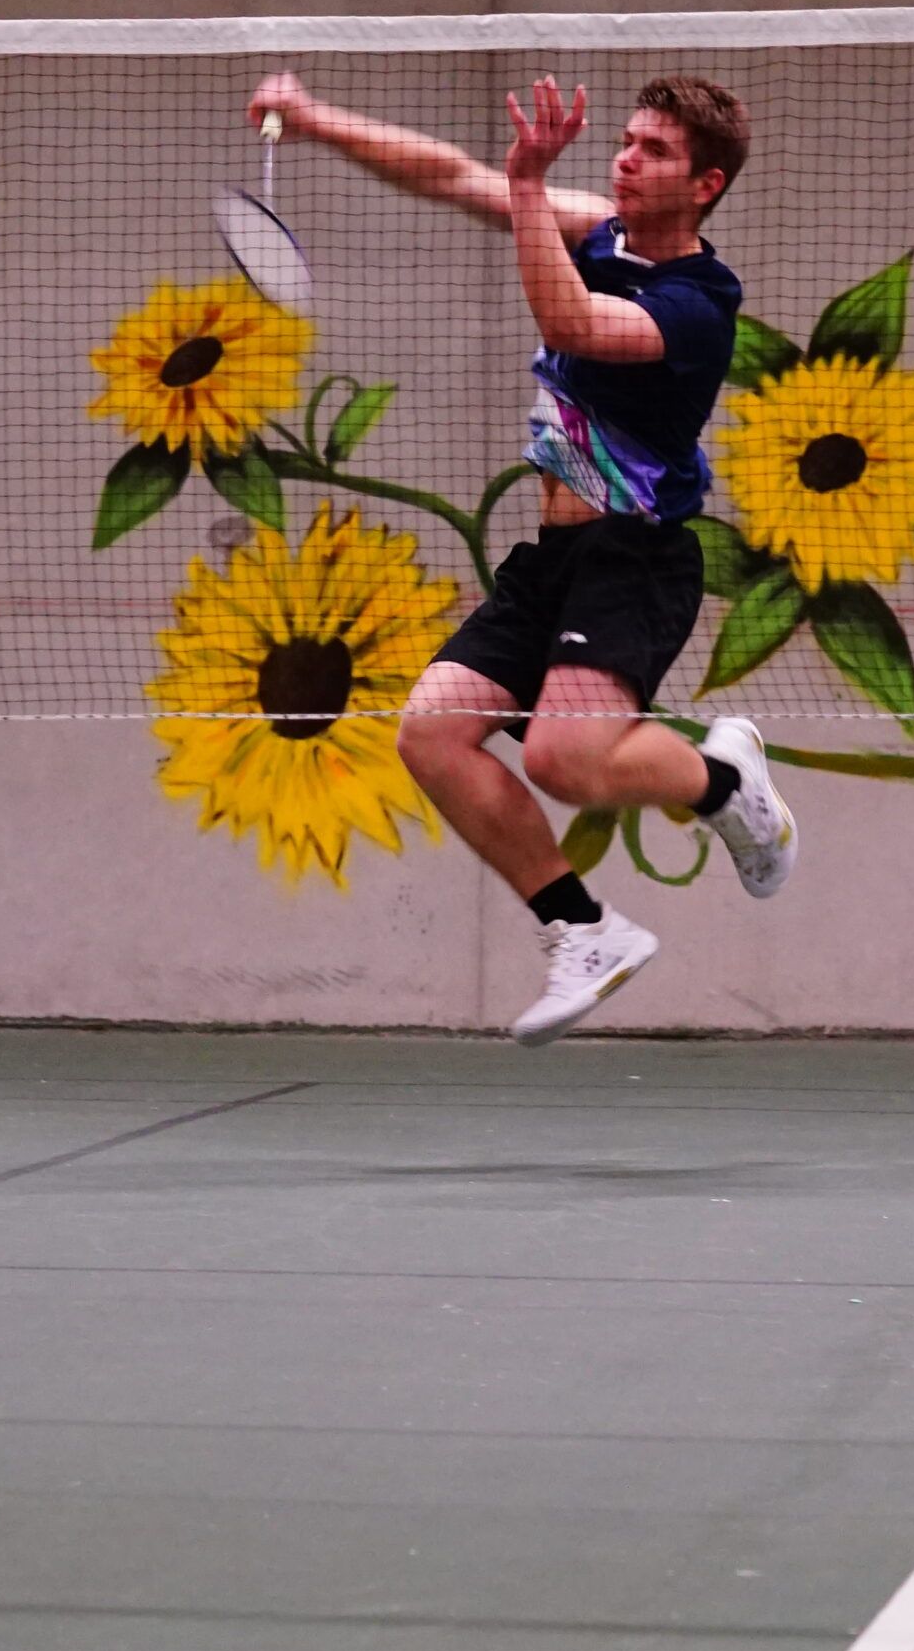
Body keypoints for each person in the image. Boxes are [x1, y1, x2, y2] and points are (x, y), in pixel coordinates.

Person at [248, 66, 797, 1043]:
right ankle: (583, 930)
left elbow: (571, 323)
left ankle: (725, 782)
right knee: (430, 734)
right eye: (626, 142)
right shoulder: (595, 232)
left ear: (705, 184)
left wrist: (530, 186)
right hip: (553, 557)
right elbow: (451, 175)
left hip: (636, 554)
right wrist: (316, 116)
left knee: (562, 758)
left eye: (655, 151)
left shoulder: (698, 303)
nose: (627, 159)